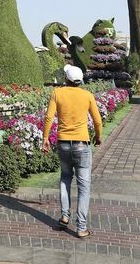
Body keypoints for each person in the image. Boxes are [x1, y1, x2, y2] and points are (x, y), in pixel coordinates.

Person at [42, 64, 102, 239]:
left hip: (63, 144)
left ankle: (65, 216)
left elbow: (48, 117)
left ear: (66, 79)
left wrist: (45, 138)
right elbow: (97, 120)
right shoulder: (87, 95)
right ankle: (81, 228)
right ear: (80, 80)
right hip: (82, 144)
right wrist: (98, 137)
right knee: (84, 186)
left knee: (65, 178)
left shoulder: (57, 93)